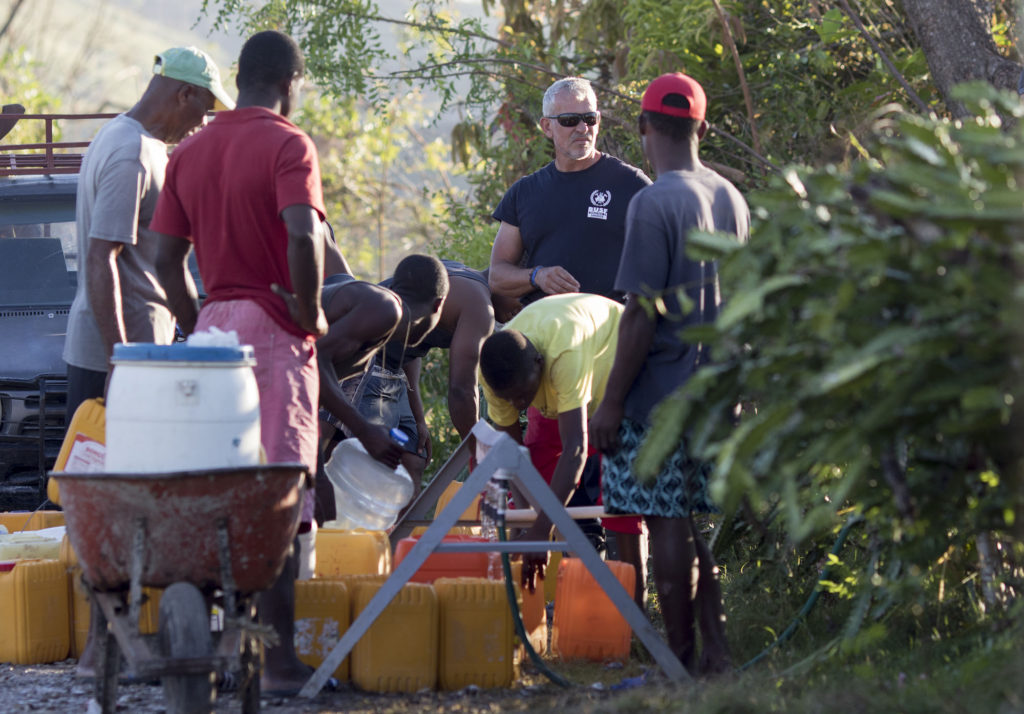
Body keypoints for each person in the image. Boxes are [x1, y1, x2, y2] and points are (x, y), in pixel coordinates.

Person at [151, 30, 328, 696]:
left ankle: (214, 651)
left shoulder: (190, 151)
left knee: (216, 492)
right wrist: (308, 311)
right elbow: (303, 233)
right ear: (289, 81)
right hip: (275, 331)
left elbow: (166, 258)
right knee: (276, 496)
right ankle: (277, 665)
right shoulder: (288, 144)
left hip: (213, 334)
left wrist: (198, 320)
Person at [61, 45, 231, 681]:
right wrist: (122, 357)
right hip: (119, 354)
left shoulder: (128, 139)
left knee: (125, 504)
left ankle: (117, 642)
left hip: (135, 348)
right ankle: (97, 649)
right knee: (116, 506)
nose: (202, 124)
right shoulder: (132, 151)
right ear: (183, 94)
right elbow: (102, 256)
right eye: (204, 110)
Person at [589, 72, 750, 676]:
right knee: (693, 522)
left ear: (641, 125)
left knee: (666, 522)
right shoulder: (731, 198)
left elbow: (640, 313)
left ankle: (675, 660)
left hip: (658, 397)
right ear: (702, 128)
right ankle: (717, 653)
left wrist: (611, 402)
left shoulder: (653, 202)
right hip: (716, 392)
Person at [487, 76, 651, 576]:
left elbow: (664, 259)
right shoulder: (526, 193)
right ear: (546, 128)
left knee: (623, 504)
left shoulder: (629, 184)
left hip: (618, 363)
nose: (583, 128)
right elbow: (497, 274)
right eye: (570, 120)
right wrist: (535, 275)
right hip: (549, 364)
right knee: (545, 487)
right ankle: (556, 597)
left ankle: (632, 608)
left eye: (590, 118)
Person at [479, 293, 648, 607]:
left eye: (522, 395)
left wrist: (541, 530)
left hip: (621, 382)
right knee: (538, 480)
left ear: (539, 364)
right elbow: (515, 458)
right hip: (558, 395)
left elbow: (575, 450)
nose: (517, 404)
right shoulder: (496, 376)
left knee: (621, 500)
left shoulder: (562, 353)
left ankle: (635, 613)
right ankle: (585, 597)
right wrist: (527, 525)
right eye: (510, 399)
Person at [332, 255, 450, 487]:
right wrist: (363, 429)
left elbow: (410, 353)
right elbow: (319, 366)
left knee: (411, 460)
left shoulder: (397, 326)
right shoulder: (384, 315)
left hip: (388, 380)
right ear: (439, 305)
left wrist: (419, 419)